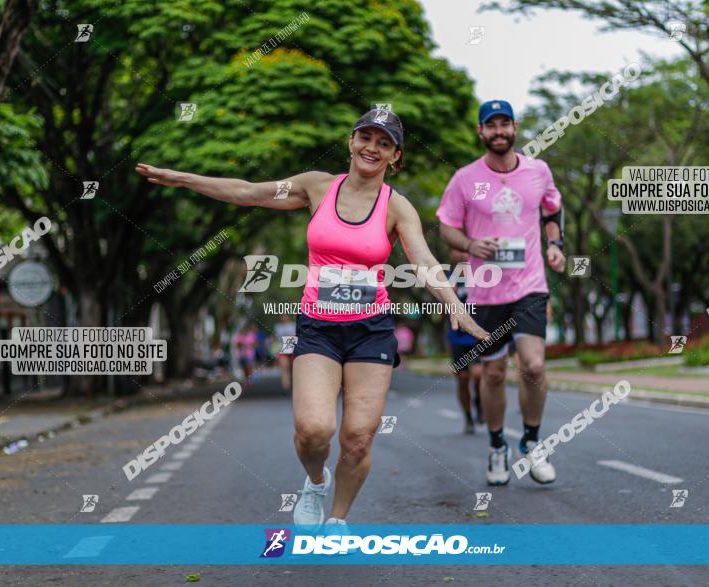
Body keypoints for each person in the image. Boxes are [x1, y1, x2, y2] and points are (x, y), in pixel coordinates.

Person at [136, 108, 488, 532]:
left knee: (357, 439)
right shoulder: (315, 186)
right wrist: (184, 179)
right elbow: (249, 192)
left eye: (384, 143)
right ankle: (316, 481)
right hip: (318, 327)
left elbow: (425, 261)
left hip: (370, 330)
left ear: (396, 156)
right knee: (313, 430)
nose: (371, 148)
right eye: (366, 137)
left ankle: (337, 518)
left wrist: (453, 304)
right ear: (351, 140)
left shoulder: (398, 207)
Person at [436, 99, 566, 486]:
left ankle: (531, 440)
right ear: (480, 132)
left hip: (529, 286)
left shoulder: (538, 171)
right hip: (486, 291)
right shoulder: (464, 178)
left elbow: (552, 210)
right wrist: (471, 245)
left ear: (514, 128)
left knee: (534, 366)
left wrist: (556, 245)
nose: (498, 131)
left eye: (504, 124)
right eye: (490, 125)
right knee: (492, 373)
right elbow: (446, 227)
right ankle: (497, 446)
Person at [447, 248, 483, 434]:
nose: (460, 255)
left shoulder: (481, 275)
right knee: (462, 379)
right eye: (457, 251)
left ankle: (479, 399)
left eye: (464, 251)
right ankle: (468, 416)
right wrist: (448, 296)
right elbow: (439, 309)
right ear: (451, 254)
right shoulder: (446, 277)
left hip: (478, 336)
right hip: (457, 337)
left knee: (478, 374)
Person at [274, 314, 297, 391]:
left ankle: (292, 384)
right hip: (282, 349)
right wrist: (276, 352)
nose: (284, 318)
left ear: (288, 317)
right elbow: (276, 340)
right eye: (282, 316)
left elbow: (296, 337)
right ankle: (286, 387)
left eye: (285, 316)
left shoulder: (293, 326)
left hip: (292, 348)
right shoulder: (278, 327)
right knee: (284, 368)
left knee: (292, 368)